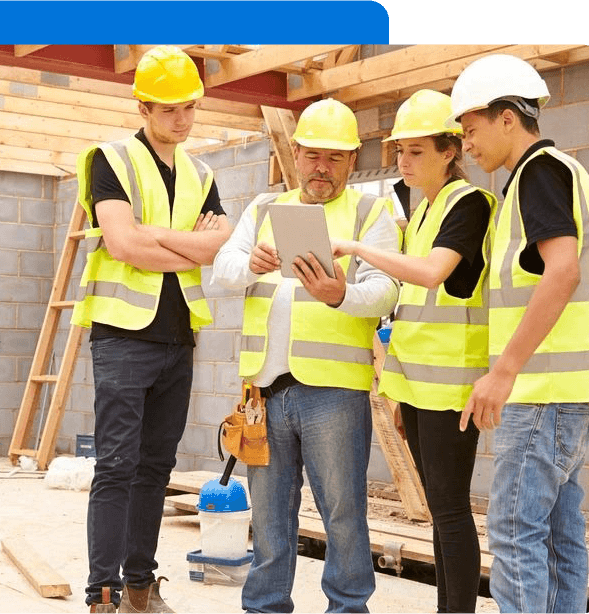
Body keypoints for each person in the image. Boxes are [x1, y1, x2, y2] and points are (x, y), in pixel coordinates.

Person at [212, 97, 400, 614]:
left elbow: (387, 291)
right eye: (313, 155)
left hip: (334, 392)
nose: (322, 167)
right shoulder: (263, 208)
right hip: (264, 391)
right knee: (270, 514)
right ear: (294, 153)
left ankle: (347, 607)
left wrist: (342, 295)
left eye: (335, 158)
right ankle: (265, 605)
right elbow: (221, 271)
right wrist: (250, 263)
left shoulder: (370, 212)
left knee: (343, 513)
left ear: (353, 160)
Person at [71, 45, 231, 614]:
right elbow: (121, 244)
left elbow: (218, 246)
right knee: (116, 465)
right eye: (169, 110)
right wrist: (186, 242)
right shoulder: (109, 159)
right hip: (122, 334)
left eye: (189, 107)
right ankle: (103, 594)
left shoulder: (202, 171)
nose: (182, 120)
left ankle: (140, 586)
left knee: (155, 468)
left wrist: (155, 238)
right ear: (142, 107)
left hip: (177, 337)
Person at [332, 89, 497, 614]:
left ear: (451, 151)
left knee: (450, 512)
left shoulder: (469, 204)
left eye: (417, 150)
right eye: (400, 150)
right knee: (439, 510)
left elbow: (430, 275)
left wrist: (359, 247)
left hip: (452, 383)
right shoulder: (421, 209)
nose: (403, 161)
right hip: (419, 382)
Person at [449, 53, 589, 614]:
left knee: (514, 532)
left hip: (539, 394)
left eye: (471, 130)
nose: (466, 145)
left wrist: (504, 370)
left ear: (507, 118)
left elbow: (563, 270)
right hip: (564, 394)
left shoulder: (540, 172)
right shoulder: (557, 175)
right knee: (560, 538)